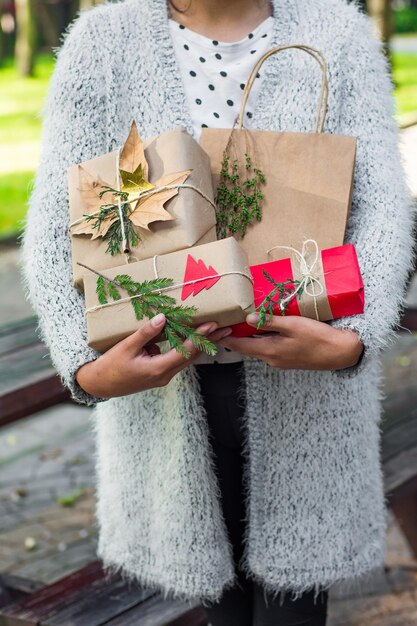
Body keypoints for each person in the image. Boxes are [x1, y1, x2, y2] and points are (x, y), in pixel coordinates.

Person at [21, 0, 414, 624]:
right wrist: (83, 365)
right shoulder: (103, 42)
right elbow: (52, 232)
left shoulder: (336, 32)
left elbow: (383, 209)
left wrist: (356, 340)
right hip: (168, 397)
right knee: (220, 606)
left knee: (296, 605)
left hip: (309, 392)